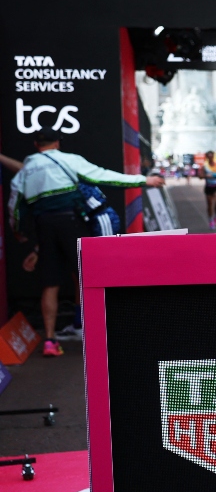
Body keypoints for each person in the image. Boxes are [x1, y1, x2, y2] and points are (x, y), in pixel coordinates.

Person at [6, 128, 165, 356]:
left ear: (35, 144)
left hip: (44, 226)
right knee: (87, 275)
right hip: (72, 223)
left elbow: (15, 206)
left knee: (50, 284)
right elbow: (103, 176)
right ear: (58, 143)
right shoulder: (69, 160)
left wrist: (18, 233)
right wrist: (143, 180)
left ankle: (50, 341)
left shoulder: (27, 168)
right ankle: (101, 333)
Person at [201, 151, 216, 230]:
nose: (210, 157)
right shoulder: (204, 165)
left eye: (211, 156)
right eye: (209, 156)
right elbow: (200, 176)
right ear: (207, 157)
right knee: (210, 205)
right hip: (209, 187)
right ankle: (211, 220)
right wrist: (206, 175)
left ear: (213, 156)